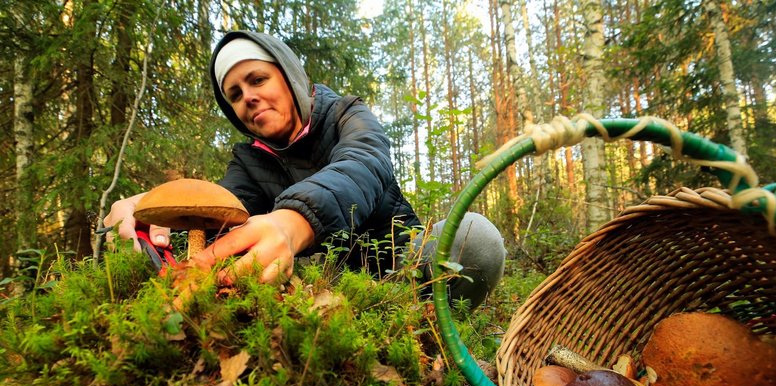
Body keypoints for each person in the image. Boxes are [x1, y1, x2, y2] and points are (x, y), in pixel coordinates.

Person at [103, 31, 505, 309]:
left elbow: (364, 164)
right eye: (235, 95)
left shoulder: (346, 114)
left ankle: (432, 349)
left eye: (258, 79)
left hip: (399, 264)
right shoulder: (248, 160)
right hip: (320, 290)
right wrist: (146, 208)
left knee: (476, 239)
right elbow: (219, 214)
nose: (249, 99)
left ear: (291, 77)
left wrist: (291, 223)